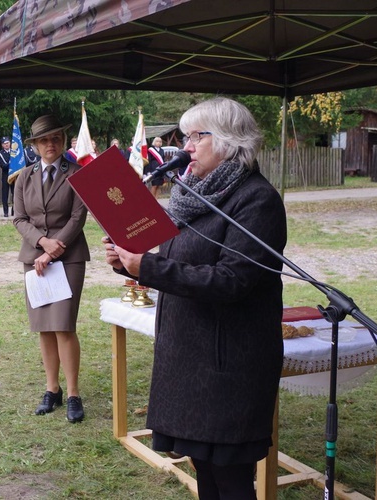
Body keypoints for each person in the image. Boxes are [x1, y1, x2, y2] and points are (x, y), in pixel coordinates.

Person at [103, 97, 287, 499]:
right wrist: (130, 261)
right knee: (206, 472)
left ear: (228, 140)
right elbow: (178, 261)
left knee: (231, 479)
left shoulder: (256, 199)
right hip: (190, 357)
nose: (185, 146)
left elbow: (231, 281)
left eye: (195, 136)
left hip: (228, 363)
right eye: (186, 136)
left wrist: (146, 268)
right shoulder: (193, 196)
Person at [13, 114, 90, 424]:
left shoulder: (78, 173)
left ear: (62, 140)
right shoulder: (23, 178)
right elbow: (19, 218)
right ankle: (52, 390)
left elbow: (77, 217)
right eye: (44, 140)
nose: (51, 144)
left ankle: (73, 394)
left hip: (68, 258)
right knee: (44, 327)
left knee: (64, 326)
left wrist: (55, 247)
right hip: (35, 260)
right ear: (34, 145)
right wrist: (43, 244)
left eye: (56, 138)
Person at [0, 136, 14, 217]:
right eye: (4, 143)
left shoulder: (14, 152)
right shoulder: (0, 154)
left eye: (7, 143)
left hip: (14, 175)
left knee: (15, 194)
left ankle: (14, 210)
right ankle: (6, 211)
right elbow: (2, 166)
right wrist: (11, 165)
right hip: (5, 175)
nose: (6, 145)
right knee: (5, 194)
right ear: (2, 145)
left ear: (10, 143)